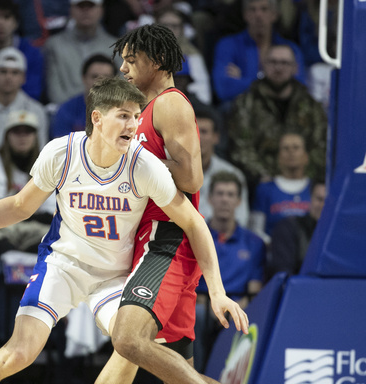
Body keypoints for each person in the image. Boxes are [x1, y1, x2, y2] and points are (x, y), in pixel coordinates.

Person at [0, 77, 248, 383]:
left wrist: (217, 292)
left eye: (136, 116)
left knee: (131, 345)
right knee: (18, 353)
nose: (133, 125)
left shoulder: (145, 165)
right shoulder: (62, 153)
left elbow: (193, 221)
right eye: (123, 116)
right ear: (96, 118)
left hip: (115, 275)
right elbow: (19, 206)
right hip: (63, 264)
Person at [96, 24, 244, 384]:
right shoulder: (144, 111)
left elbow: (192, 178)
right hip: (160, 242)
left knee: (127, 339)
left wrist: (130, 161)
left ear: (158, 61)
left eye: (131, 60)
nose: (122, 68)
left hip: (166, 242)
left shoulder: (170, 103)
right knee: (177, 373)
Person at [0, 110, 55, 347]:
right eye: (17, 132)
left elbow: (49, 213)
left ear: (36, 135)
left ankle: (41, 341)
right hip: (2, 230)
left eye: (28, 132)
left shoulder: (47, 163)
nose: (23, 137)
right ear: (7, 136)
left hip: (35, 230)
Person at [227, 44, 327, 189]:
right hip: (260, 181)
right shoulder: (246, 103)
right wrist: (267, 176)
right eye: (273, 62)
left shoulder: (311, 105)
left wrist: (300, 175)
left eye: (285, 63)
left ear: (295, 68)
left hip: (304, 180)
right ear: (263, 66)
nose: (278, 68)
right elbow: (240, 148)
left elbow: (321, 146)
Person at [194, 171, 265, 371]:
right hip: (201, 305)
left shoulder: (254, 243)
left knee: (248, 317)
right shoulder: (195, 236)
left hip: (238, 307)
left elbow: (254, 290)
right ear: (210, 198)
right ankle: (194, 377)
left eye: (231, 194)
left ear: (239, 201)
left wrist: (231, 309)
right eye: (220, 193)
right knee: (194, 315)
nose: (225, 199)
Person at [212, 0, 305, 104]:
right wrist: (275, 83)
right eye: (252, 9)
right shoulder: (227, 45)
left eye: (264, 9)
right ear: (245, 15)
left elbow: (298, 88)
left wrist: (243, 80)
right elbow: (223, 89)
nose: (258, 15)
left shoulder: (291, 49)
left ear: (274, 15)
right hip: (241, 109)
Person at [0, 46, 49, 165]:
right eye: (3, 71)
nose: (8, 77)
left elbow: (41, 154)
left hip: (25, 173)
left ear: (23, 78)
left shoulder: (36, 110)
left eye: (15, 73)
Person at [43, 0, 118, 104]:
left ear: (101, 10)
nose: (86, 11)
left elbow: (121, 87)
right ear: (71, 10)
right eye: (80, 6)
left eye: (91, 6)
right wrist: (75, 109)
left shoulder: (116, 46)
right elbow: (55, 92)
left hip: (107, 109)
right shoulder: (54, 45)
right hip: (67, 112)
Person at [249, 132, 313, 242]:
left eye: (296, 147)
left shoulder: (315, 189)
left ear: (306, 156)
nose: (291, 152)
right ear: (279, 157)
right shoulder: (265, 189)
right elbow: (255, 230)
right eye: (286, 148)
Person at [196, 106, 249, 227]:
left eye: (204, 131)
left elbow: (241, 219)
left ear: (216, 137)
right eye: (194, 132)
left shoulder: (233, 175)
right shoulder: (173, 174)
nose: (198, 137)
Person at [266, 179, 326, 282]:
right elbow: (283, 274)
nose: (323, 205)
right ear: (310, 199)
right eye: (319, 199)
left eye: (328, 200)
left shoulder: (342, 235)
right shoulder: (287, 228)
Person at [50, 53, 117, 139]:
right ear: (84, 78)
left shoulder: (126, 111)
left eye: (107, 78)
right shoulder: (66, 110)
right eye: (95, 76)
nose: (100, 82)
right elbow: (62, 148)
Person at [156, 6, 212, 105]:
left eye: (174, 26)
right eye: (164, 25)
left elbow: (204, 95)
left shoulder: (193, 56)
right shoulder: (141, 55)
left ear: (182, 29)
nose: (169, 30)